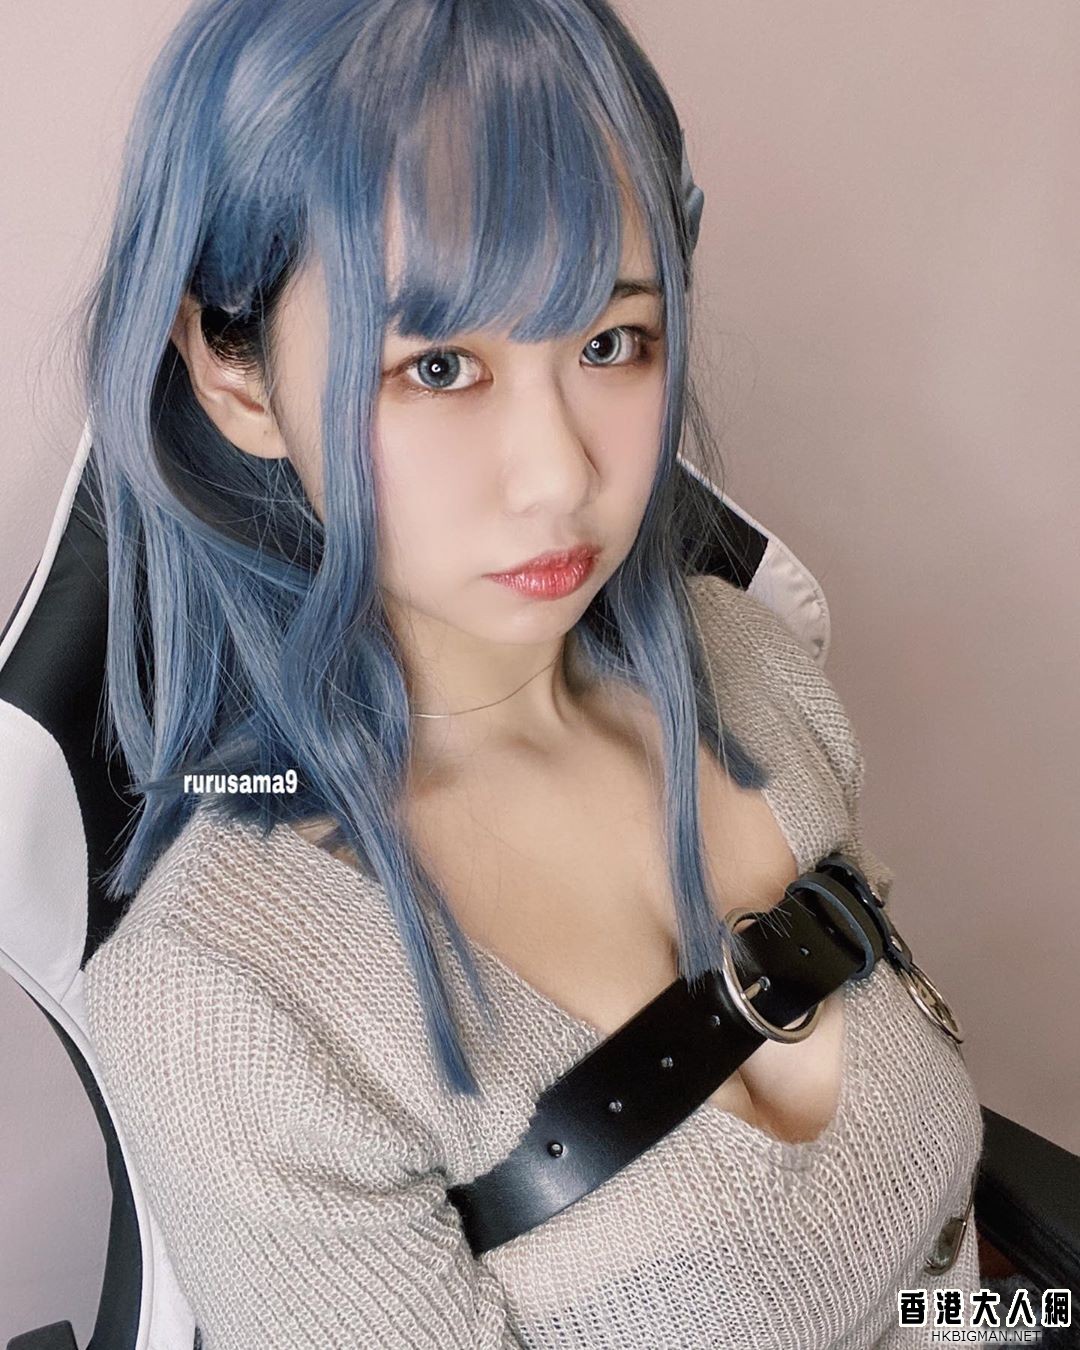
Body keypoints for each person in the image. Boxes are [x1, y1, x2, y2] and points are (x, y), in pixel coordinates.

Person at [78, 0, 985, 1345]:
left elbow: (945, 1262)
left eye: (610, 344)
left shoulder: (749, 668)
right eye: (440, 366)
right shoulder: (226, 1000)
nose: (561, 474)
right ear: (237, 373)